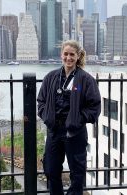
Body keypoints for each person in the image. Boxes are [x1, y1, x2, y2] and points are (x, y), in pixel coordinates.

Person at [37, 40, 101, 195]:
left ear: (78, 56)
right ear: (61, 55)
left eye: (72, 54)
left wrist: (77, 119)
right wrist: (48, 118)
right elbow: (41, 102)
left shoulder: (86, 80)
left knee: (77, 174)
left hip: (75, 133)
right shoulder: (51, 77)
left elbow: (94, 107)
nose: (68, 58)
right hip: (54, 132)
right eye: (66, 54)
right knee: (51, 171)